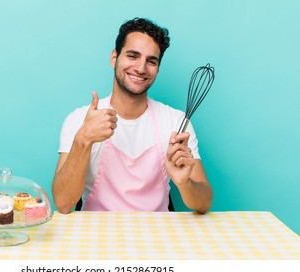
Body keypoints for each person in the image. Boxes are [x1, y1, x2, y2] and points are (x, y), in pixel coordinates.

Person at [52, 17, 213, 214]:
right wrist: (83, 140)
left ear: (158, 69)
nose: (140, 68)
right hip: (95, 234)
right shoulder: (79, 120)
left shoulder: (176, 122)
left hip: (157, 234)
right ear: (114, 58)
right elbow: (63, 203)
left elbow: (204, 203)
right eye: (132, 56)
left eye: (151, 61)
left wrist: (184, 182)